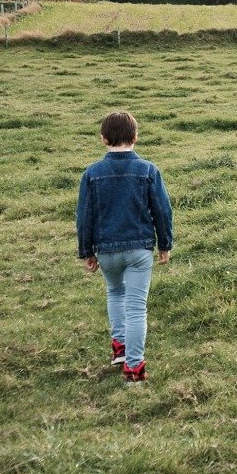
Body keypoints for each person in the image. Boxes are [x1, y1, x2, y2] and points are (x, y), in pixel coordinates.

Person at [76, 110, 174, 384]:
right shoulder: (148, 170)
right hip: (139, 249)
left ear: (103, 139)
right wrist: (164, 244)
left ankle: (119, 349)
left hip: (106, 250)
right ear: (135, 137)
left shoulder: (92, 174)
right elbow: (162, 212)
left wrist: (87, 250)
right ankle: (134, 368)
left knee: (115, 294)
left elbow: (84, 215)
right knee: (135, 307)